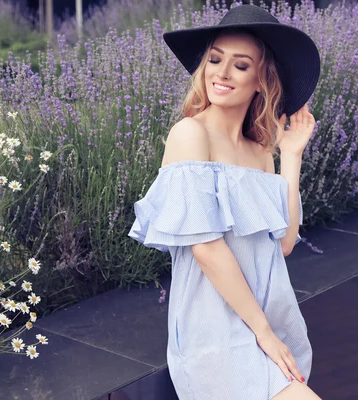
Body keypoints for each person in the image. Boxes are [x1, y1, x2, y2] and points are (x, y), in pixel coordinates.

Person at [128, 4, 322, 399]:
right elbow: (206, 249)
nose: (221, 72)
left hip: (268, 320)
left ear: (261, 81)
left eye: (240, 65)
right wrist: (263, 334)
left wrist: (292, 156)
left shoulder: (261, 152)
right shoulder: (189, 134)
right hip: (216, 330)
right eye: (215, 59)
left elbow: (283, 243)